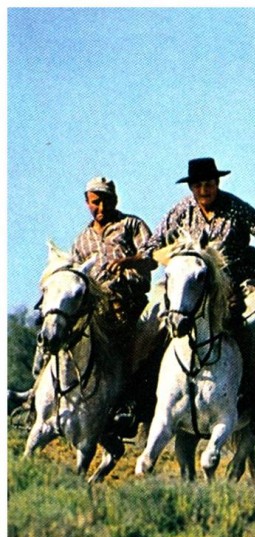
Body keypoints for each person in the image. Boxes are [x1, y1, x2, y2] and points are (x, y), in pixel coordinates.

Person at [142, 157, 255, 438]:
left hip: (240, 283)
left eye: (210, 183)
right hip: (191, 284)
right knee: (150, 319)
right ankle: (139, 396)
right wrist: (175, 261)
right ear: (191, 187)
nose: (205, 190)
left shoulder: (236, 207)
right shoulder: (181, 210)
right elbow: (153, 247)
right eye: (199, 185)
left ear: (217, 183)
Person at [24, 177, 157, 433]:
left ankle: (127, 404)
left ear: (115, 200)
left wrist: (129, 262)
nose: (101, 206)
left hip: (127, 303)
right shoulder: (82, 239)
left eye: (106, 200)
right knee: (56, 335)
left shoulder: (131, 225)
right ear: (87, 203)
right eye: (95, 202)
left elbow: (151, 259)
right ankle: (35, 396)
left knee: (135, 348)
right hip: (93, 308)